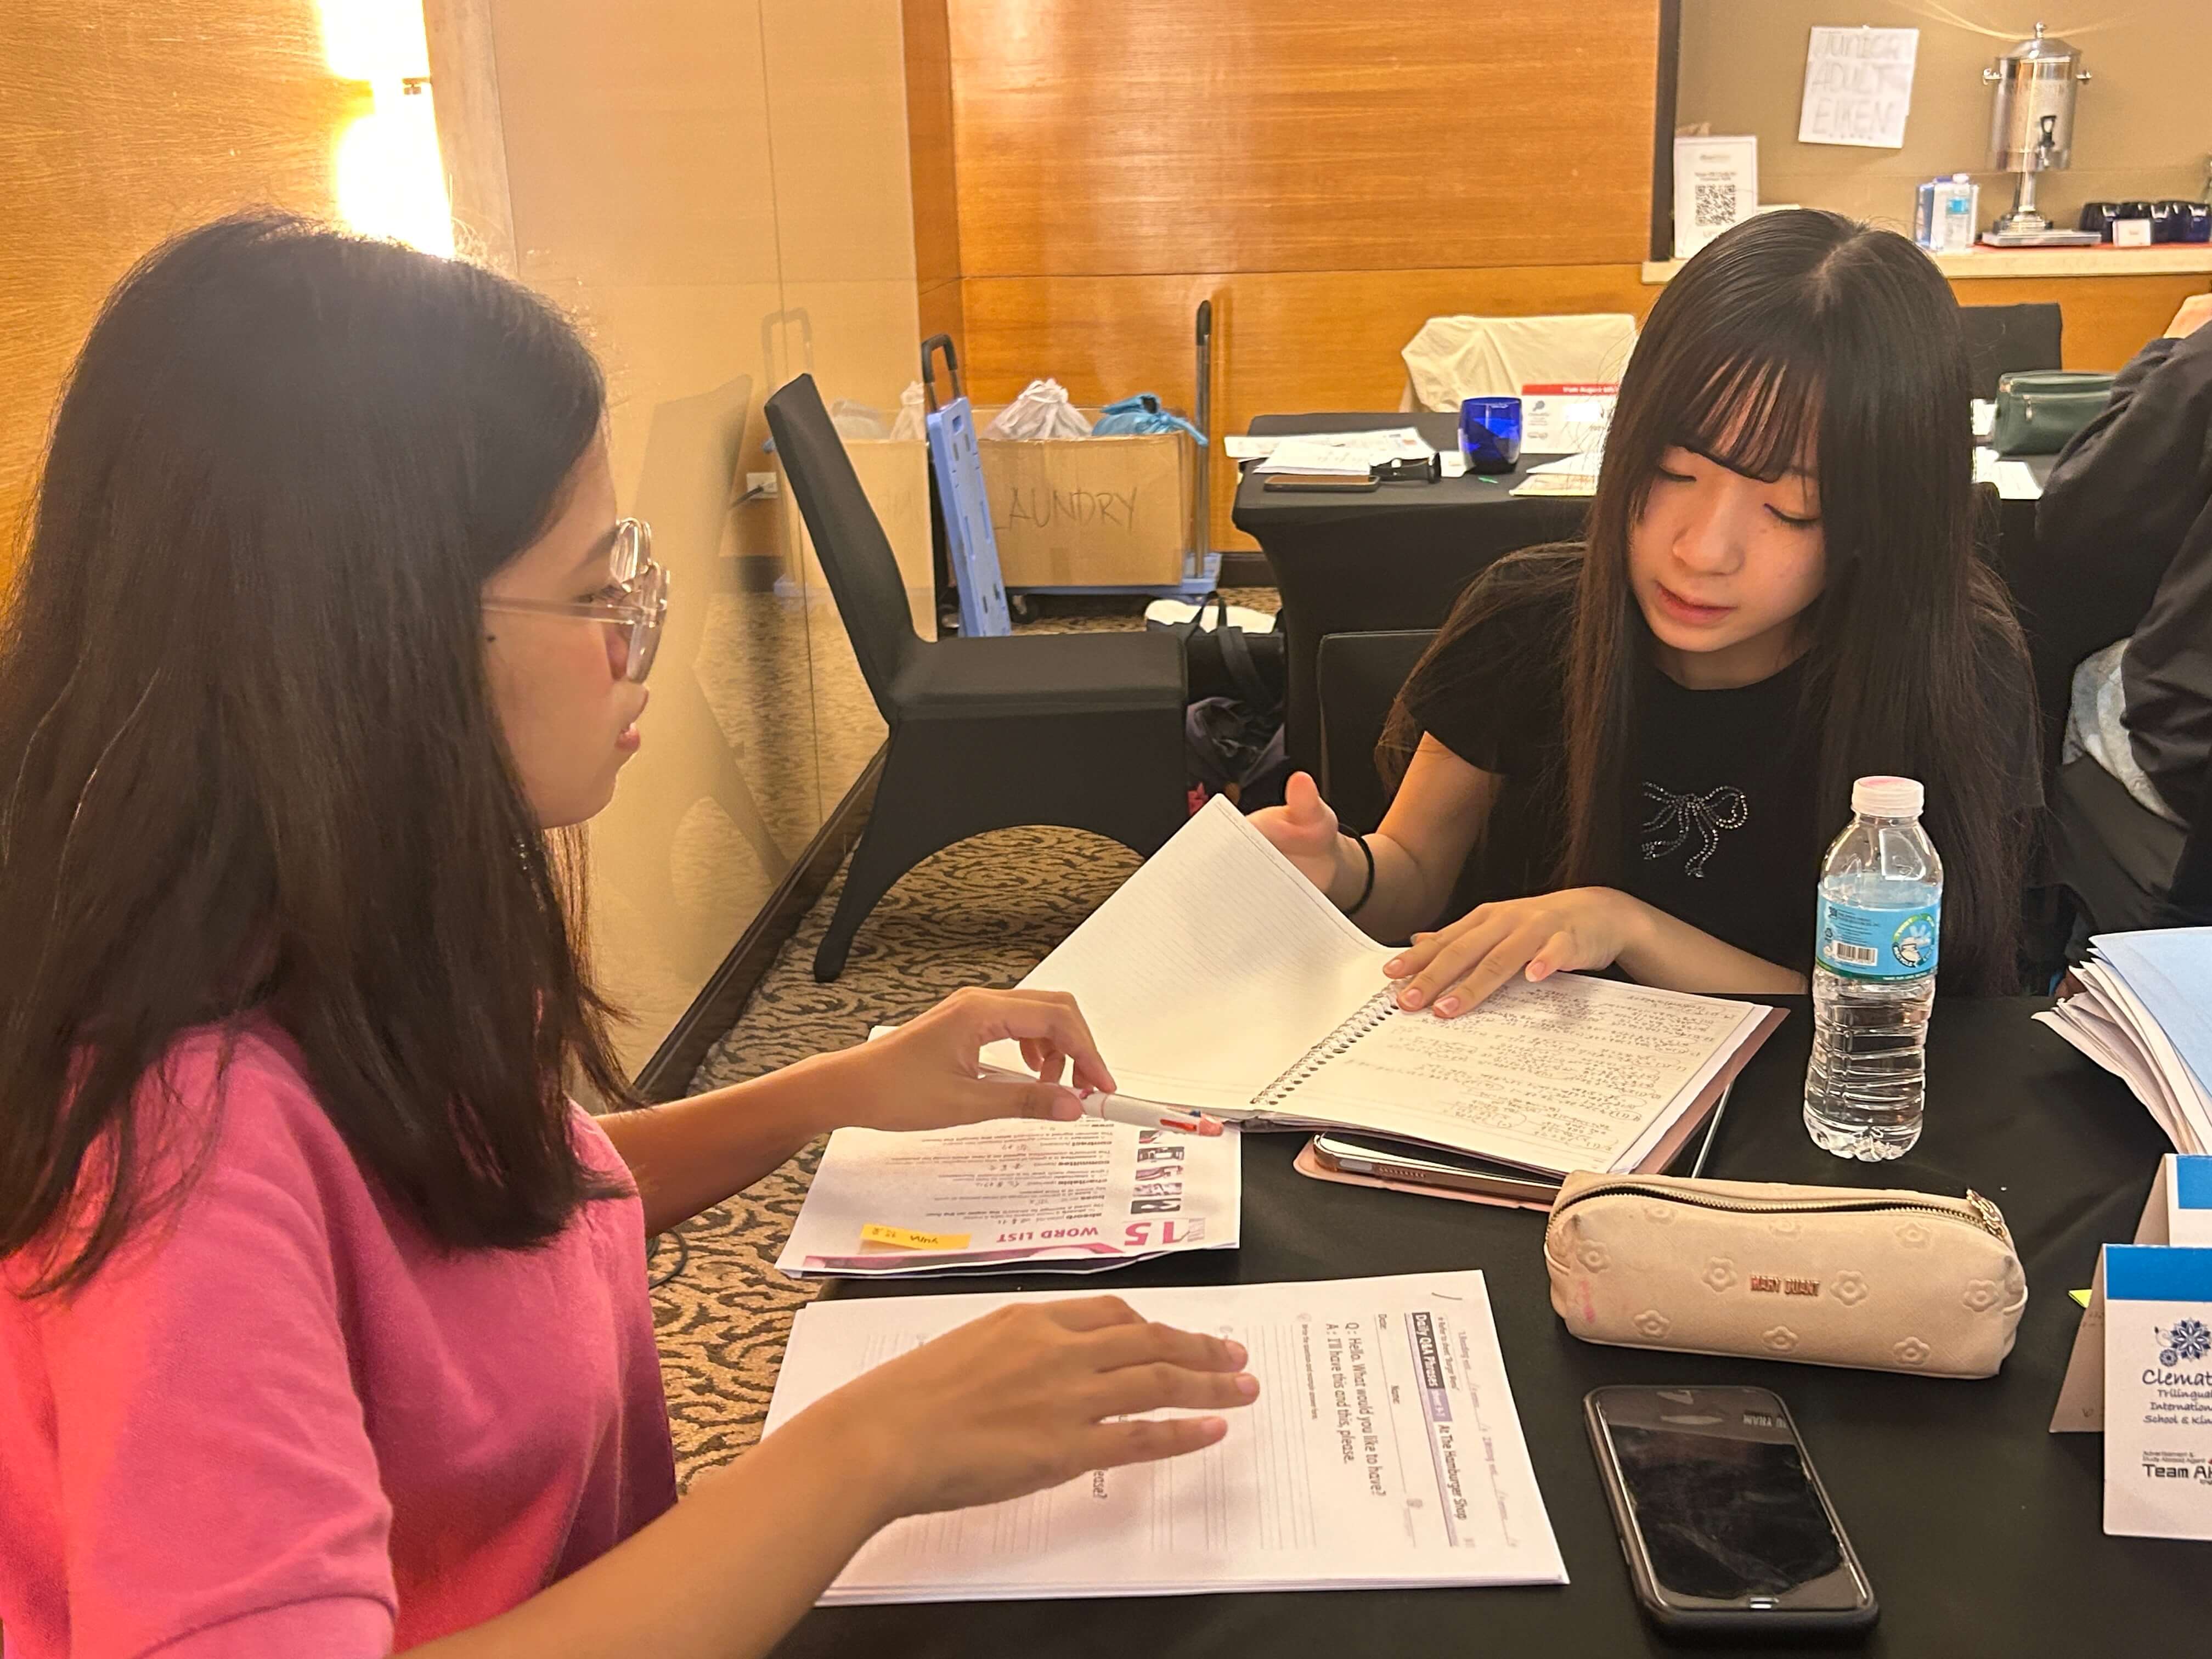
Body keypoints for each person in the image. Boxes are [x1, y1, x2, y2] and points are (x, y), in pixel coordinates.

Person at [0, 213, 1257, 1658]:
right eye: (600, 591)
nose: (638, 640)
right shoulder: (179, 1143)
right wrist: (868, 1454)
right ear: (373, 640)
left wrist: (834, 1091)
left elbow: (496, 1226)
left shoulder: (346, 944)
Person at [1251, 210, 2041, 1014]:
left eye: (1793, 509)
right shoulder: (1526, 621)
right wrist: (1340, 871)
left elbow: (1904, 1010)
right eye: (1672, 470)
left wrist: (1629, 927)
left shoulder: (1953, 667)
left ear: (1887, 518)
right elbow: (1414, 874)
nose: (1703, 550)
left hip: (1806, 1090)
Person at [2035, 292, 2212, 934]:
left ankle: (2057, 938)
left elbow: (2083, 521)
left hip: (2186, 759)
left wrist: (2175, 352)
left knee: (2079, 671)